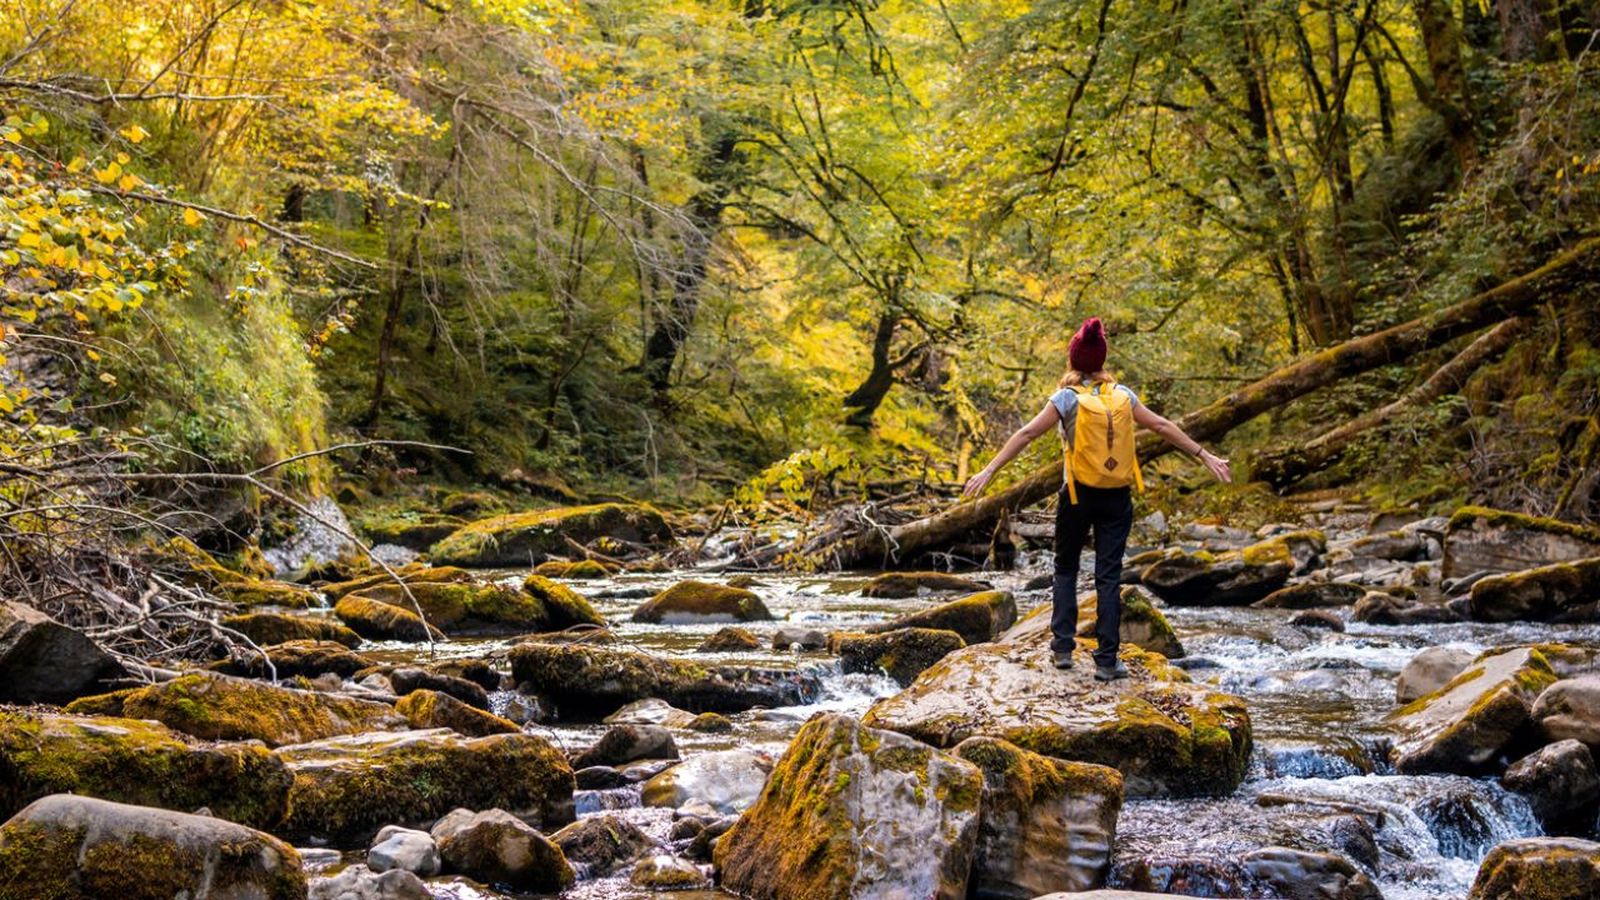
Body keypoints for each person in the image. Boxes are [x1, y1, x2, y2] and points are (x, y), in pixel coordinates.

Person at [962, 317, 1232, 681]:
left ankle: (1062, 650)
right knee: (1109, 576)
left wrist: (989, 470)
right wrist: (1204, 455)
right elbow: (1162, 426)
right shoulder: (1123, 396)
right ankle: (1107, 660)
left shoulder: (1066, 398)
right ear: (1102, 361)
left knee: (1066, 569)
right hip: (1116, 497)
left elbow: (1027, 434)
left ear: (1073, 361)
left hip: (1076, 494)